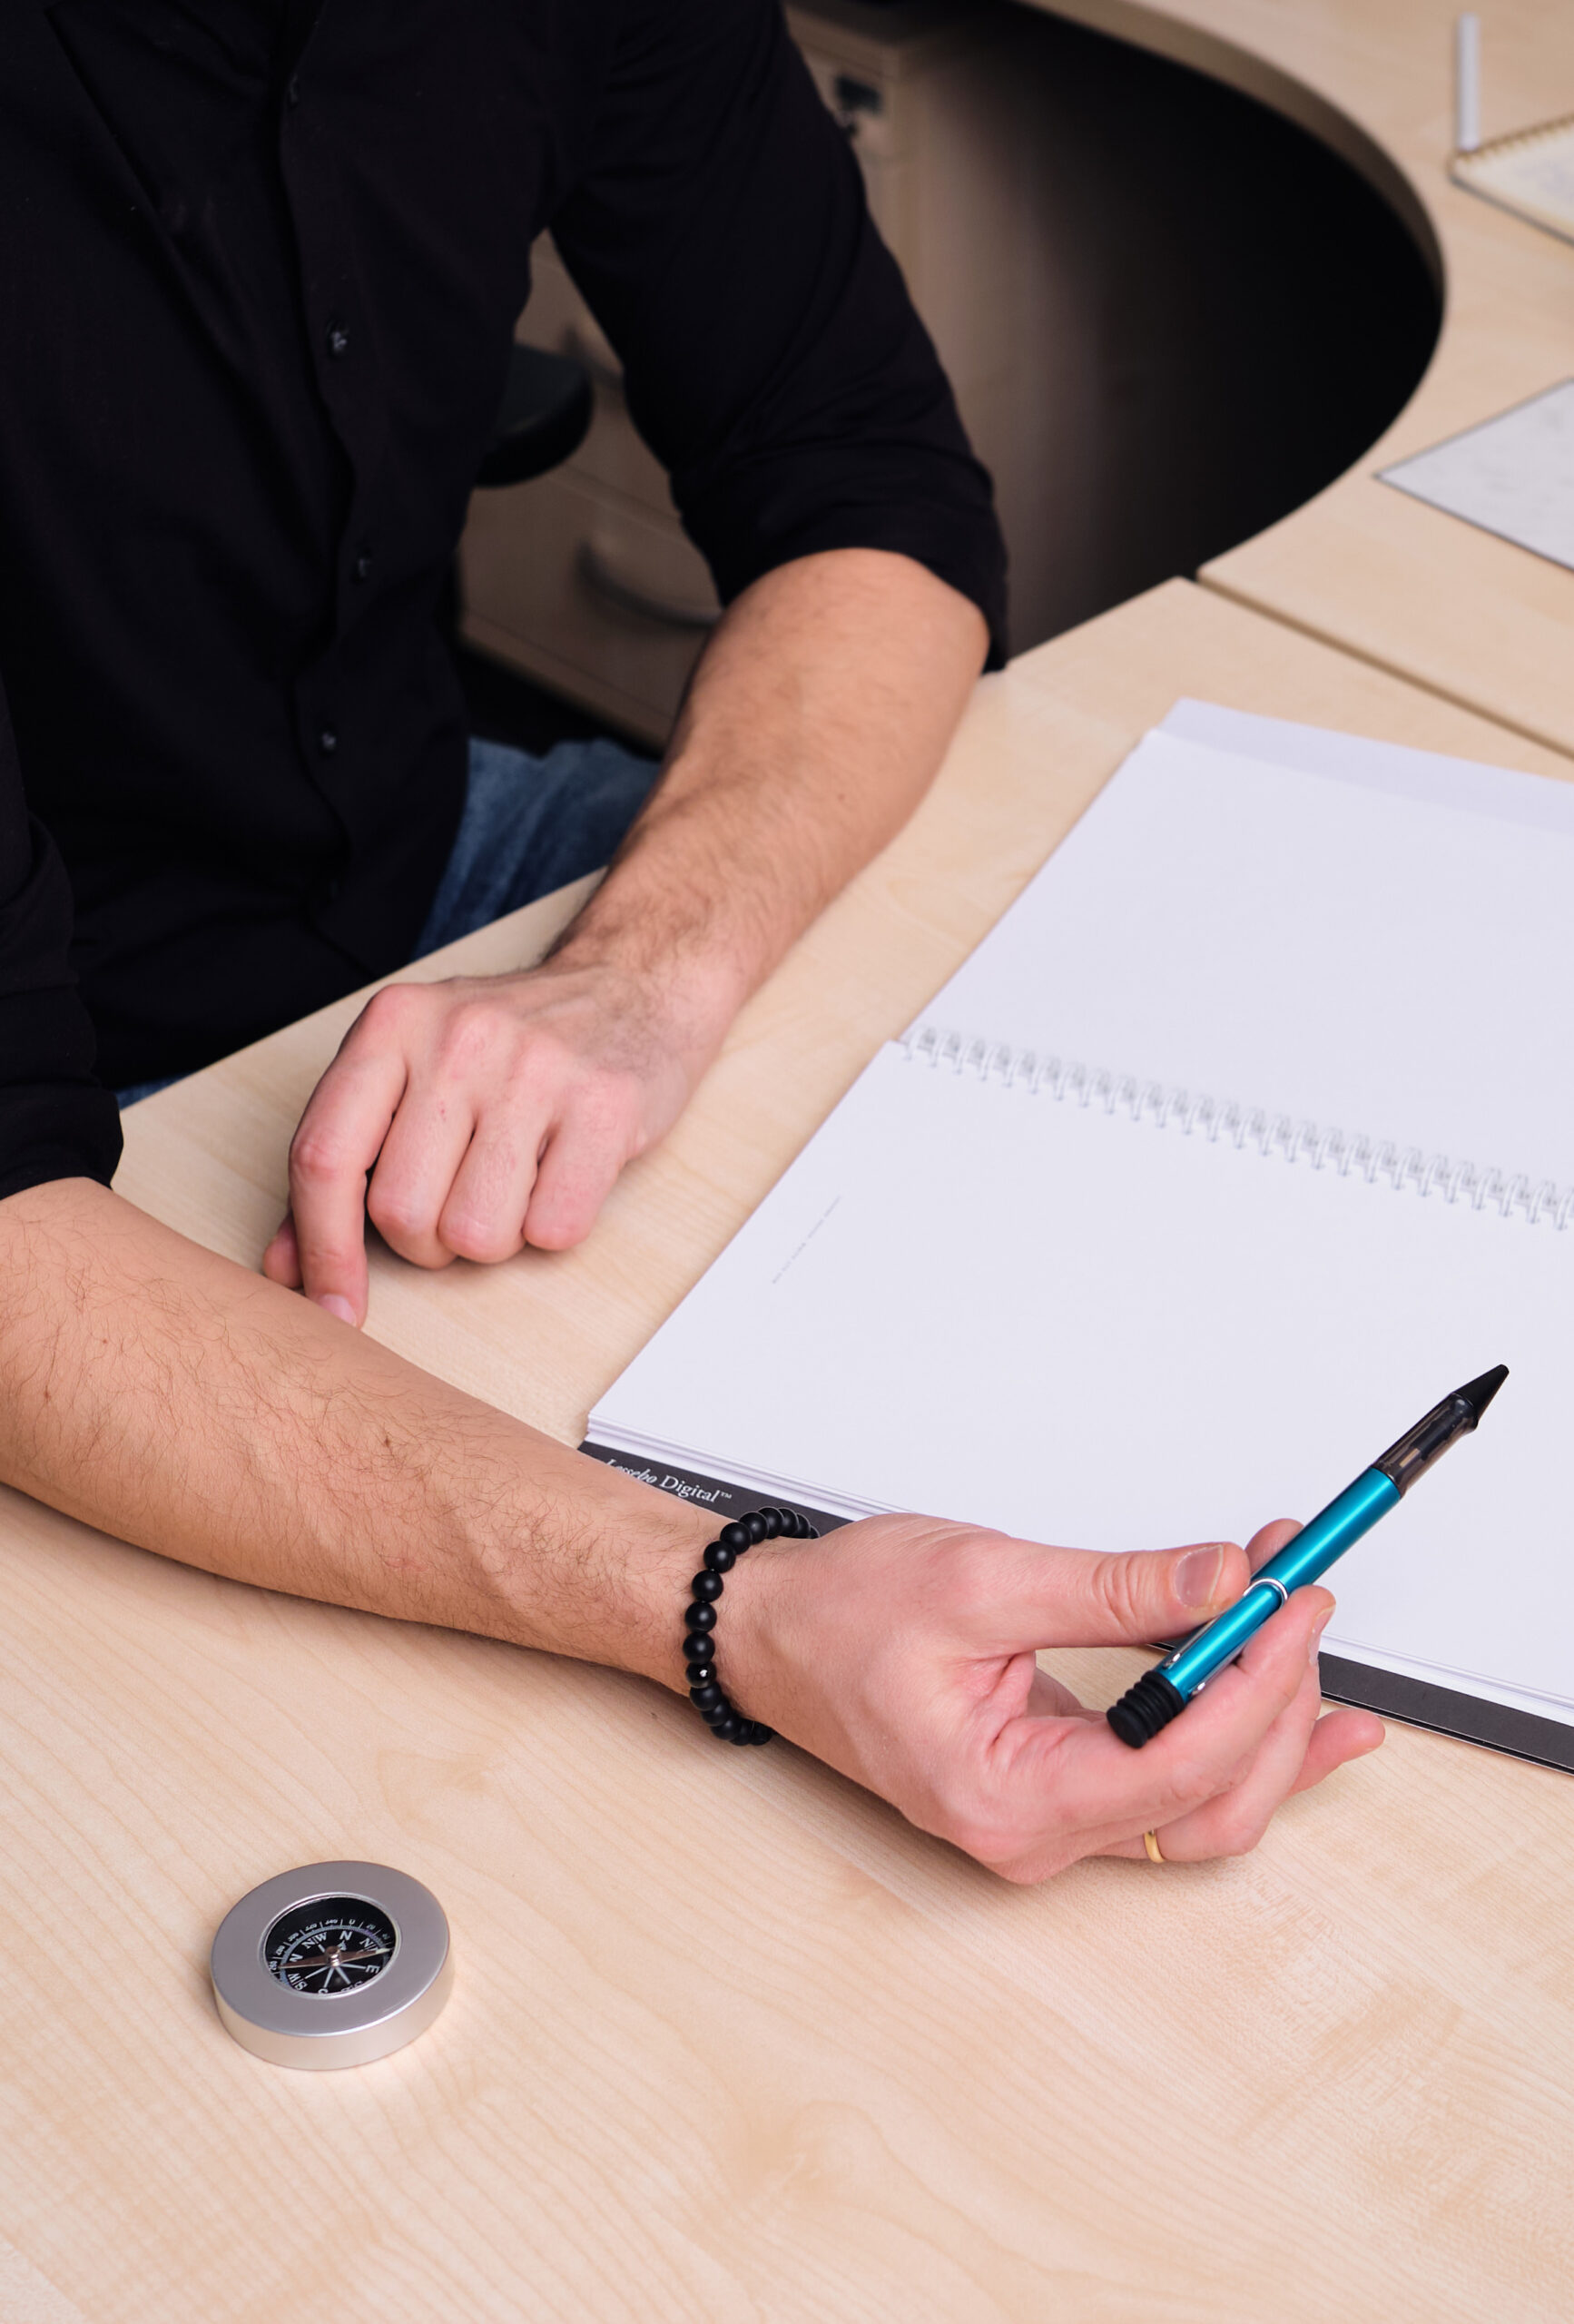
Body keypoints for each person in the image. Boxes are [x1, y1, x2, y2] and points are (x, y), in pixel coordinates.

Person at [0, 0, 1381, 1883]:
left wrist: (641, 976)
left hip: (447, 865)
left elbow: (869, 488)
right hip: (81, 1057)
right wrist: (738, 1603)